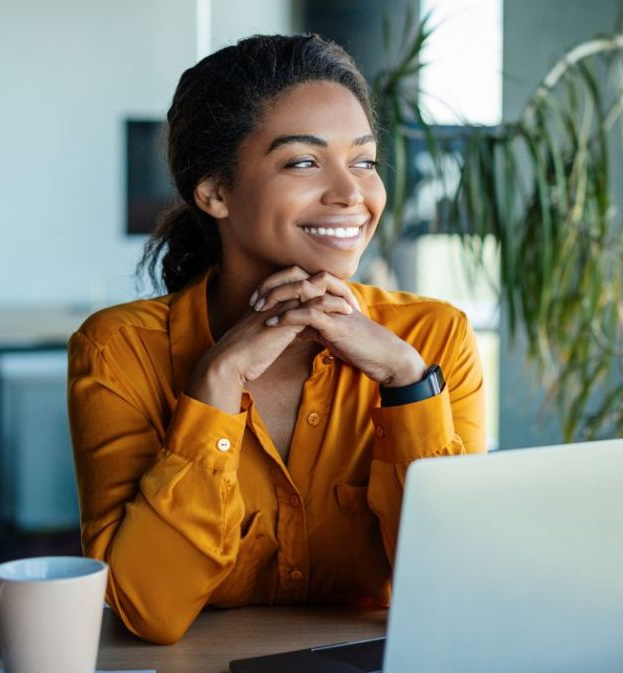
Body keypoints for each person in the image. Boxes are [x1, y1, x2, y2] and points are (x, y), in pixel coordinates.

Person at [67, 33, 485, 645]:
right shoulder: (118, 351)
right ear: (213, 192)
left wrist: (407, 385)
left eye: (364, 161)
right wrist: (214, 387)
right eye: (303, 162)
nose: (352, 194)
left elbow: (461, 588)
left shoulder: (430, 340)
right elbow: (147, 610)